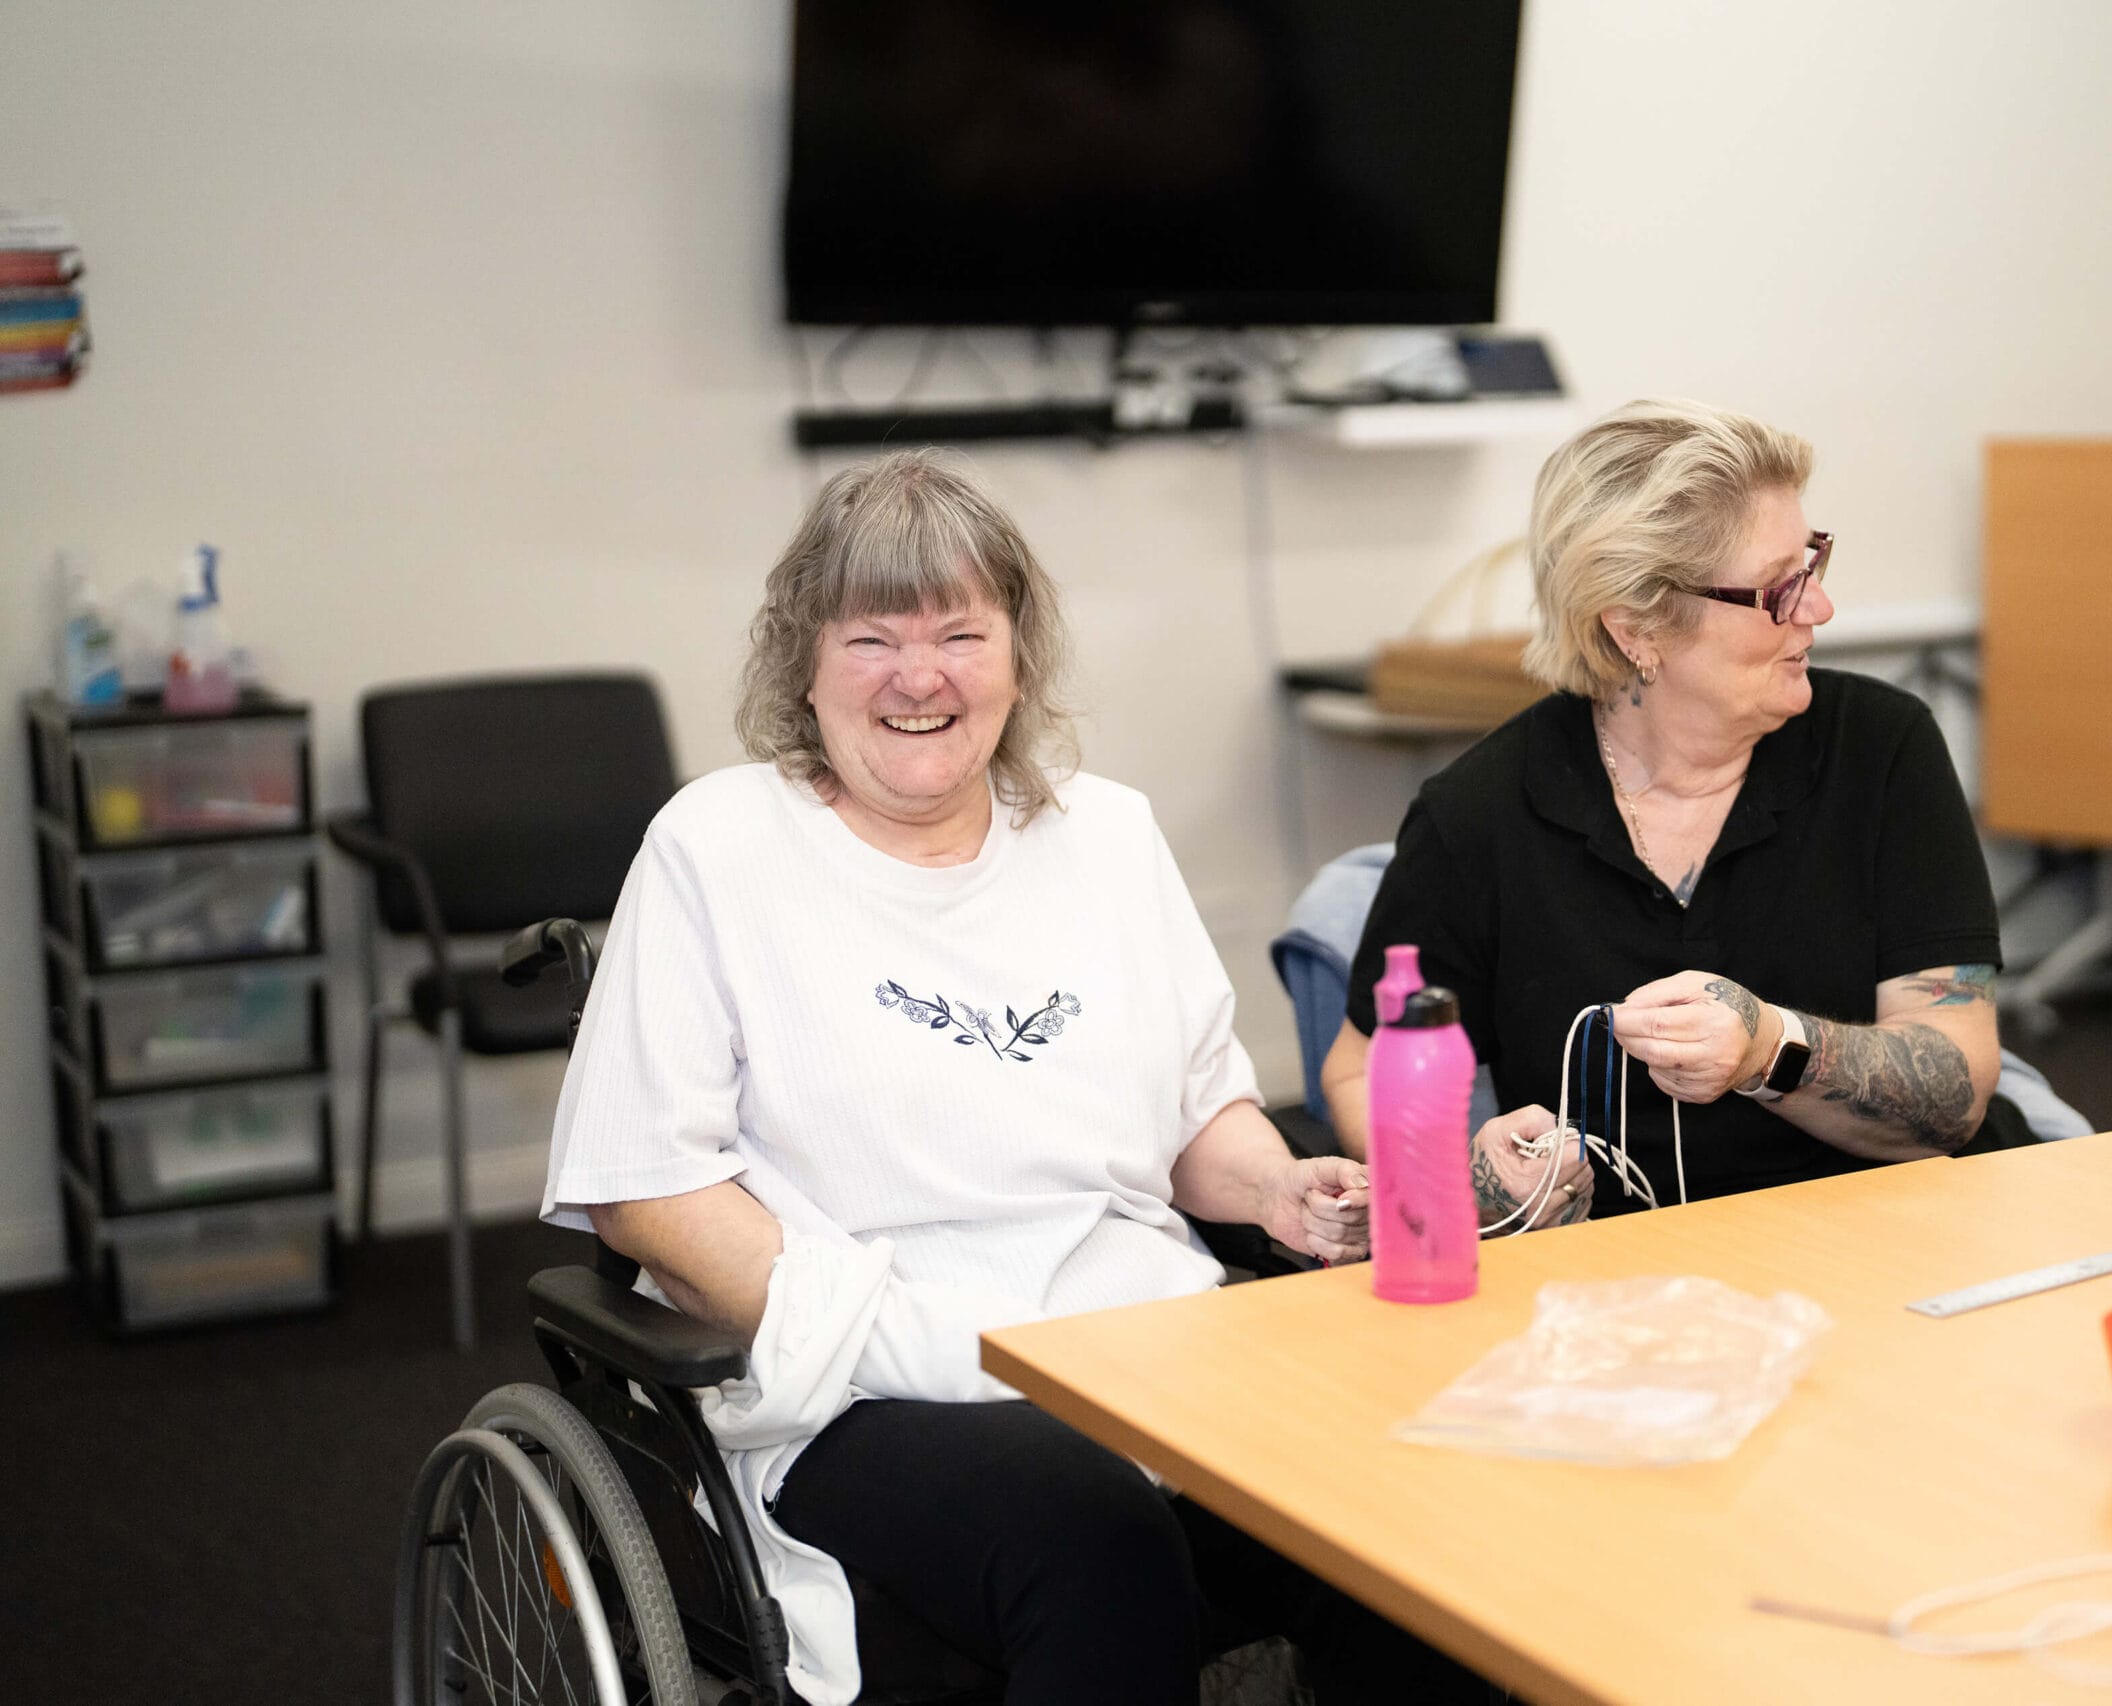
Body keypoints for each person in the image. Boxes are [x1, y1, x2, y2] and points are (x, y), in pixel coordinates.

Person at [541, 451, 1480, 1706]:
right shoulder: (718, 848)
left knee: (1407, 1481)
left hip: (1142, 1332)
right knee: (1090, 1529)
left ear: (1017, 654)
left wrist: (1280, 1189)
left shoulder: (1108, 835)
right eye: (871, 636)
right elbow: (646, 1187)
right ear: (803, 662)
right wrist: (891, 1331)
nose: (919, 676)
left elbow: (1200, 1110)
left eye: (959, 633)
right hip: (867, 1373)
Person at [1321, 399, 2027, 1224]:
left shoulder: (1880, 749)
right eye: (1779, 589)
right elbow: (1361, 1068)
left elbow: (1958, 1090)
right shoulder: (1478, 815)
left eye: (1813, 563)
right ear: (1636, 629)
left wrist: (1772, 1048)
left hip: (1899, 1234)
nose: (1818, 609)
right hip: (1625, 1285)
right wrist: (1462, 1180)